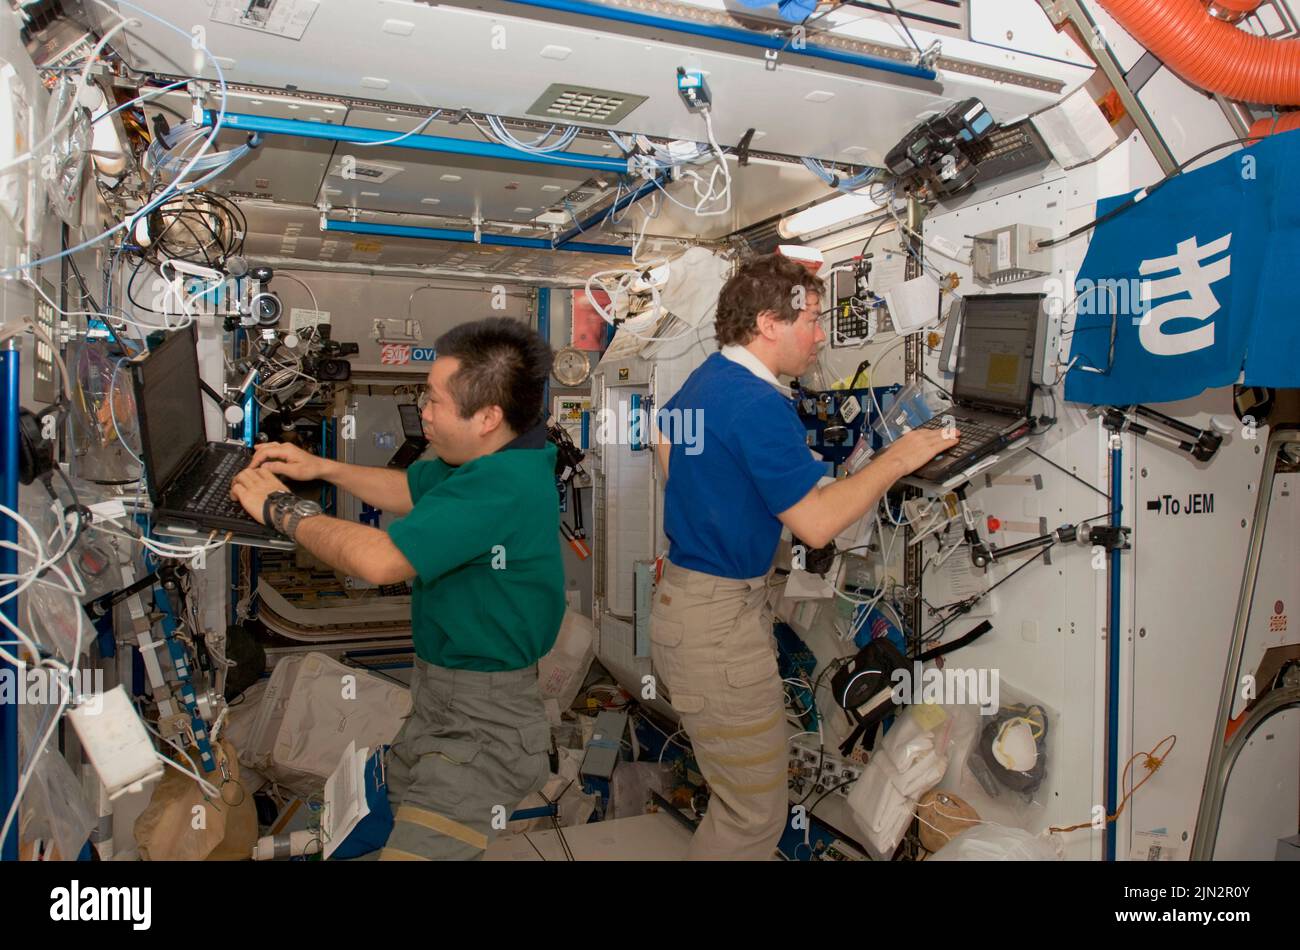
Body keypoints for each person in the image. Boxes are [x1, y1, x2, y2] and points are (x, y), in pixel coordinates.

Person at [650, 252, 958, 860]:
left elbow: (665, 441)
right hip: (716, 623)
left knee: (737, 802)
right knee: (754, 817)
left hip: (692, 603)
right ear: (768, 323)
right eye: (813, 320)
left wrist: (725, 505)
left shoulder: (710, 378)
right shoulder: (758, 403)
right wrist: (900, 458)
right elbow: (817, 527)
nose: (821, 335)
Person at [230, 316, 564, 860]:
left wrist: (280, 510)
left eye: (433, 401)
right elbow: (409, 489)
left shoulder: (502, 484)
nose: (423, 414)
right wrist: (322, 467)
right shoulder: (485, 460)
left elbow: (383, 562)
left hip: (483, 726)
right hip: (439, 698)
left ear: (487, 417)